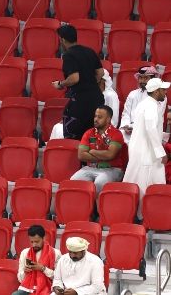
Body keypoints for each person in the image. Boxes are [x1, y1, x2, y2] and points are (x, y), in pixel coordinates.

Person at [123, 78, 169, 214]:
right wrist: (160, 152)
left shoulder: (144, 104)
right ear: (156, 91)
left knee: (137, 183)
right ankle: (146, 217)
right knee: (146, 187)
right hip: (147, 153)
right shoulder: (151, 106)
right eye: (163, 90)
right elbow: (150, 129)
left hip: (141, 150)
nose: (165, 92)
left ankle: (140, 215)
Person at [54, 25, 104, 140]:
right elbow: (100, 72)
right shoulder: (90, 51)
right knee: (92, 136)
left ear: (63, 40)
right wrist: (91, 83)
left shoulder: (68, 55)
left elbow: (74, 78)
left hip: (81, 102)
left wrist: (60, 84)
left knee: (74, 136)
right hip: (96, 99)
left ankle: (77, 157)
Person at [71, 105, 127, 194]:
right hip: (90, 167)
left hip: (112, 169)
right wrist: (103, 155)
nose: (96, 119)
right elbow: (81, 155)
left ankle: (97, 207)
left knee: (100, 183)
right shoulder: (88, 133)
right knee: (74, 181)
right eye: (95, 116)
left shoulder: (116, 134)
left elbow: (110, 155)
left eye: (100, 117)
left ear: (108, 119)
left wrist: (92, 151)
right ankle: (82, 206)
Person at [120, 65, 165, 141]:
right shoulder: (132, 94)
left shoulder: (159, 95)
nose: (142, 81)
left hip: (148, 130)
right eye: (140, 78)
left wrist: (135, 127)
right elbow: (126, 114)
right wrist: (126, 125)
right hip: (130, 129)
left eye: (146, 78)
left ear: (152, 80)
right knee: (120, 135)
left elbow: (155, 118)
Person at [12, 225, 58, 295]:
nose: (34, 245)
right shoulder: (25, 253)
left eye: (37, 241)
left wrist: (43, 268)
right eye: (32, 242)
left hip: (48, 287)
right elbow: (20, 279)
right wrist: (25, 271)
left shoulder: (55, 253)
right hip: (28, 288)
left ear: (44, 238)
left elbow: (58, 278)